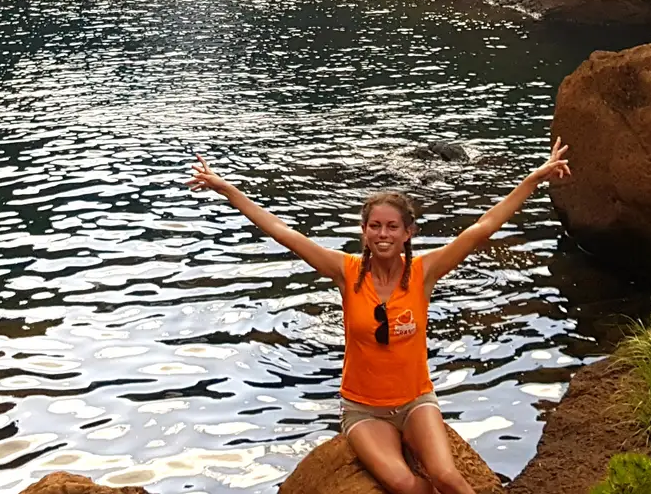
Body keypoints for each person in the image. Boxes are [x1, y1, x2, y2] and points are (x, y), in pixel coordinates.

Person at [188, 142, 572, 494]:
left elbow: (482, 228)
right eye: (375, 226)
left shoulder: (424, 272)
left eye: (392, 227)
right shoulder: (346, 272)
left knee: (447, 476)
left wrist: (535, 178)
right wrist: (225, 189)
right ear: (364, 231)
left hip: (416, 401)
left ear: (408, 233)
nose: (382, 234)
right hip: (363, 408)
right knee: (406, 484)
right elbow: (281, 231)